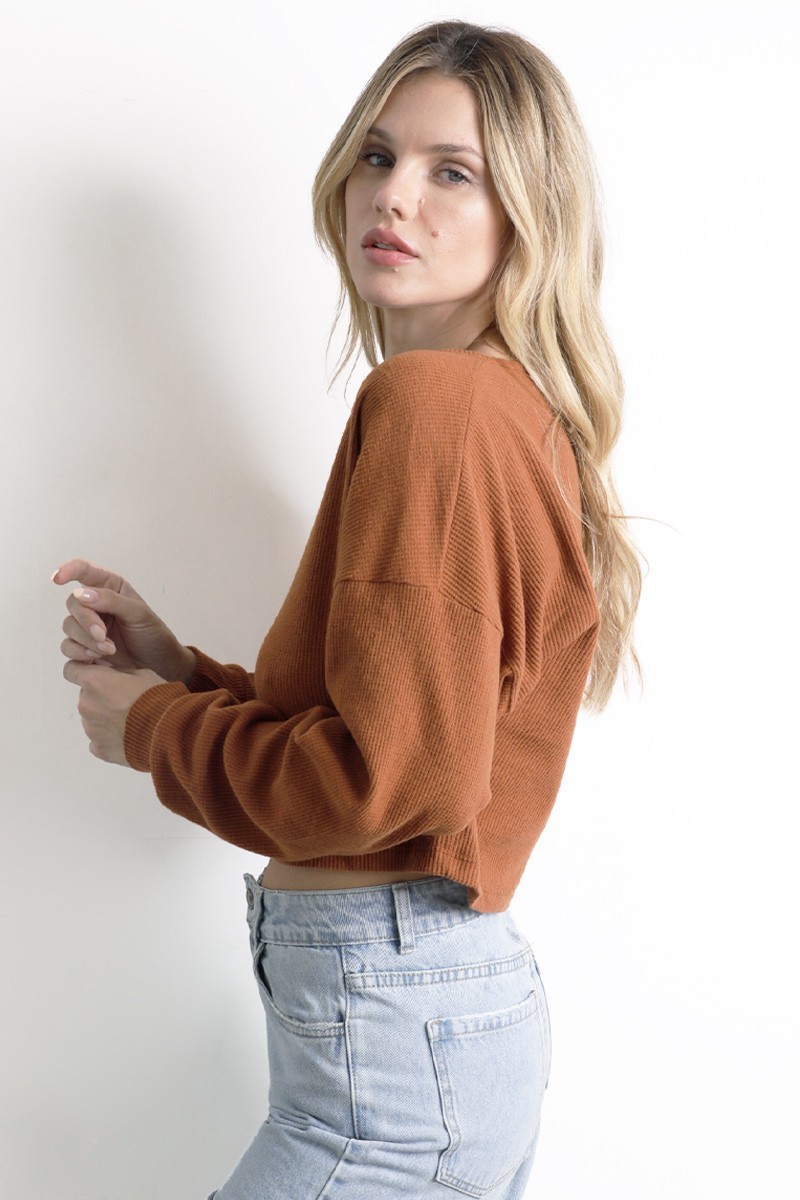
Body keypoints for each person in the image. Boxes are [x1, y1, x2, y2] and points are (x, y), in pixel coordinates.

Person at [53, 20, 640, 1200]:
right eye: (378, 156)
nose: (394, 196)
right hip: (420, 1027)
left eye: (450, 172)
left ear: (526, 212)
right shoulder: (503, 409)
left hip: (390, 1051)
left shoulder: (435, 406)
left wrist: (154, 729)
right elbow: (395, 733)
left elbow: (386, 786)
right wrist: (184, 675)